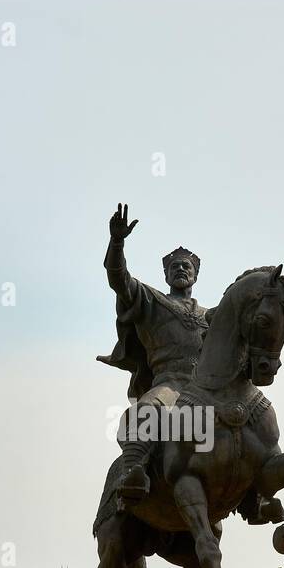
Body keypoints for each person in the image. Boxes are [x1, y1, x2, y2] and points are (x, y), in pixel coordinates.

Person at [98, 203, 208, 503]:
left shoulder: (212, 316)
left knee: (250, 419)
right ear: (165, 274)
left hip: (207, 389)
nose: (181, 269)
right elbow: (118, 278)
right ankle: (133, 470)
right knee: (148, 410)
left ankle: (258, 497)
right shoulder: (151, 300)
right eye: (175, 267)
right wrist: (117, 242)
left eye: (187, 266)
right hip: (169, 384)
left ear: (196, 274)